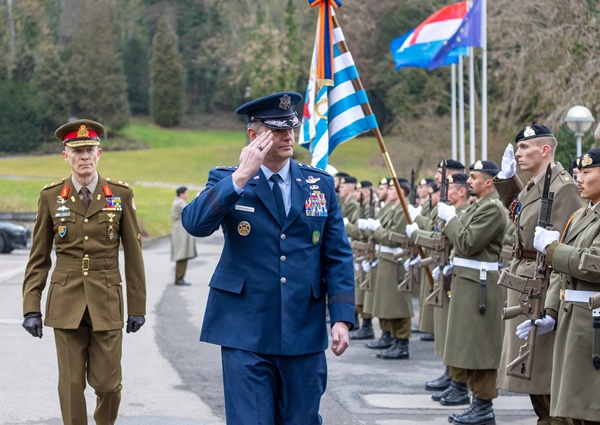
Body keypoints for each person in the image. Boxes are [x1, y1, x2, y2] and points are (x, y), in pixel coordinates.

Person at [181, 92, 355, 424]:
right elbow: (195, 224)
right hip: (244, 327)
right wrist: (240, 177)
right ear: (253, 135)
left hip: (303, 328)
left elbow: (337, 255)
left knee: (302, 419)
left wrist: (342, 318)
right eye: (277, 130)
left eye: (291, 128)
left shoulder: (319, 184)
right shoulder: (227, 180)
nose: (289, 136)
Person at [21, 119, 147, 425]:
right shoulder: (51, 197)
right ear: (66, 156)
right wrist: (31, 307)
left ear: (99, 153)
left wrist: (137, 306)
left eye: (90, 149)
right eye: (77, 151)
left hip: (107, 299)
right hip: (66, 301)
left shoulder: (120, 194)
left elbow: (133, 255)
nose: (84, 156)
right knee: (71, 384)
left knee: (108, 384)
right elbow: (38, 257)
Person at [493, 124, 583, 425]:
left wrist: (551, 305)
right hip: (526, 279)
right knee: (530, 369)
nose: (518, 153)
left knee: (542, 368)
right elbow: (520, 213)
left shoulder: (563, 187)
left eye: (524, 147)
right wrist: (508, 181)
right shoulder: (536, 184)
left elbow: (566, 244)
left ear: (544, 150)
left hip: (544, 284)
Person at [527, 147, 600, 425]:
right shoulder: (580, 215)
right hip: (573, 318)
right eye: (579, 172)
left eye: (587, 172)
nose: (579, 178)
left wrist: (554, 248)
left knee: (589, 404)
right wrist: (551, 311)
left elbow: (594, 263)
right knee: (570, 403)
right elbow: (560, 270)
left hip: (592, 321)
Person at [434, 160, 507, 424]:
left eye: (474, 177)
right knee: (469, 344)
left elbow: (467, 242)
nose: (469, 181)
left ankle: (484, 406)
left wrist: (451, 219)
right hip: (469, 281)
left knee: (482, 348)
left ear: (489, 182)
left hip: (480, 285)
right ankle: (476, 402)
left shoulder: (492, 208)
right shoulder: (480, 206)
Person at [171, 186, 197, 286]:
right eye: (186, 193)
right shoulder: (179, 203)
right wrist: (198, 199)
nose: (187, 195)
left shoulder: (180, 202)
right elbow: (190, 209)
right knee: (181, 255)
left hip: (181, 231)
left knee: (183, 255)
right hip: (180, 231)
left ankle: (180, 277)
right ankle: (179, 278)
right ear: (181, 194)